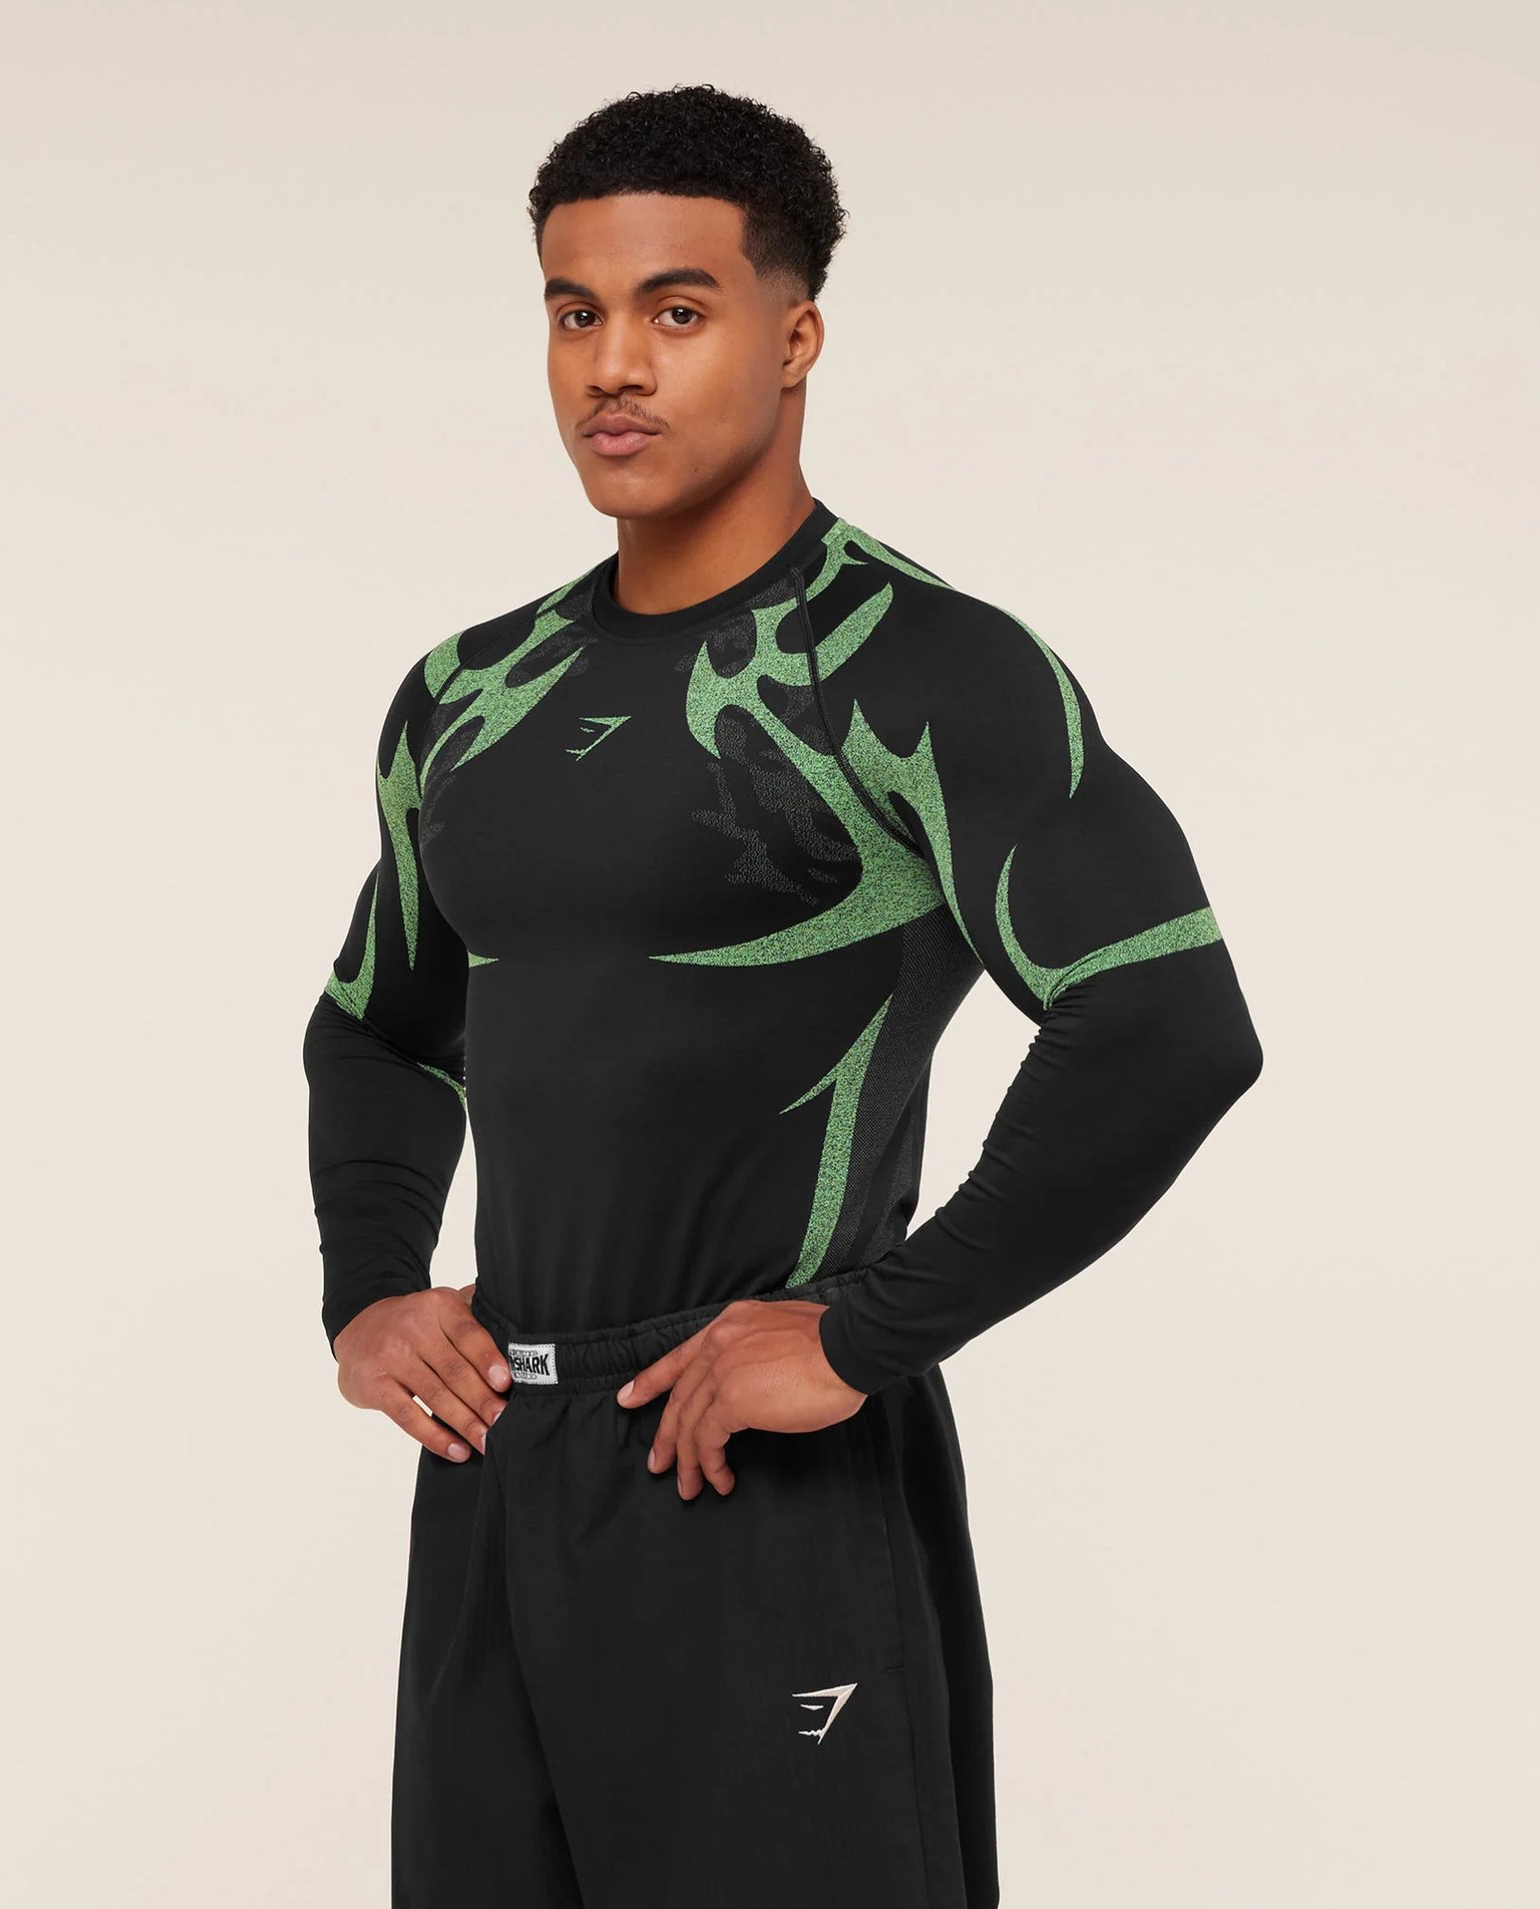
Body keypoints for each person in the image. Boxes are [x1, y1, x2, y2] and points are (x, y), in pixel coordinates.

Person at [302, 82, 1263, 1909]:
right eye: (575, 311)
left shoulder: (922, 668)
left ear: (797, 333)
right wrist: (368, 1289)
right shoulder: (469, 695)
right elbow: (376, 1024)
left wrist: (865, 1331)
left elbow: (1166, 1019)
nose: (614, 365)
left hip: (752, 1477)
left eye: (678, 309)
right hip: (496, 1474)